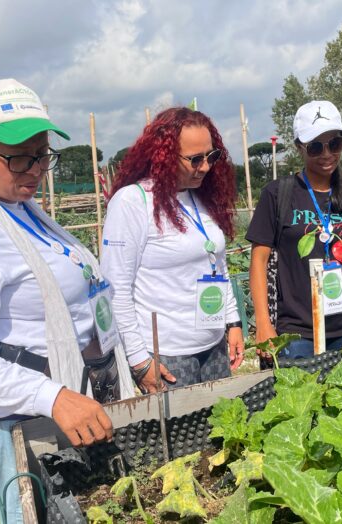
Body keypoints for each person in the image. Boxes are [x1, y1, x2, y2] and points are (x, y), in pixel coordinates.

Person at [0, 78, 135, 524]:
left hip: (57, 402)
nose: (36, 168)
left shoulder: (18, 207)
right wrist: (52, 396)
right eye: (19, 156)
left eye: (42, 154)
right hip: (16, 422)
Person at [101, 107, 244, 393]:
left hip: (213, 347)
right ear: (164, 156)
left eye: (211, 156)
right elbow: (115, 289)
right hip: (167, 354)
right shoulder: (133, 202)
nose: (205, 167)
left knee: (223, 432)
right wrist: (139, 360)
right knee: (181, 438)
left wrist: (233, 322)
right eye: (194, 159)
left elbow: (218, 265)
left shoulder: (200, 197)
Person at [246, 101, 342, 359]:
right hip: (297, 330)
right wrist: (263, 323)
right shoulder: (278, 194)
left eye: (335, 144)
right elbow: (258, 261)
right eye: (316, 147)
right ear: (299, 148)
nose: (327, 154)